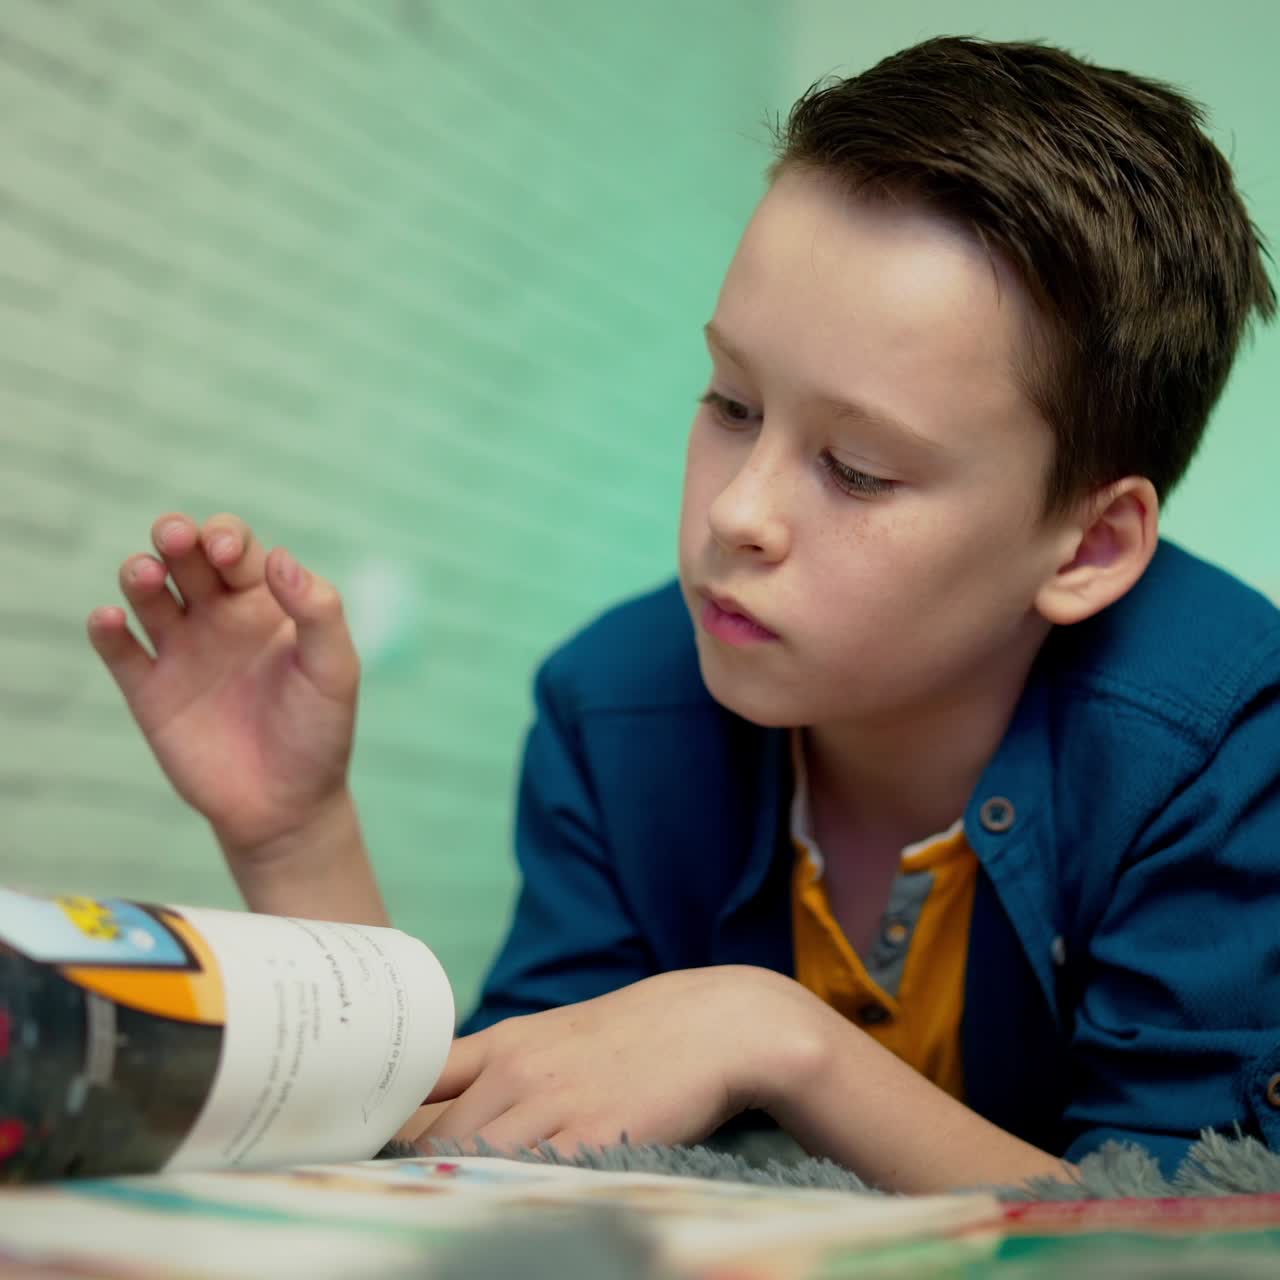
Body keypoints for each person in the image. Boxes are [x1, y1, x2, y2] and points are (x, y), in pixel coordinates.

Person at [86, 36, 1279, 1192]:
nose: (736, 511)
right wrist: (298, 838)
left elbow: (1192, 1231)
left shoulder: (1220, 739)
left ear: (1088, 545)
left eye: (857, 469)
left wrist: (777, 1037)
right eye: (729, 402)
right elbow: (504, 1149)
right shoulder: (613, 706)